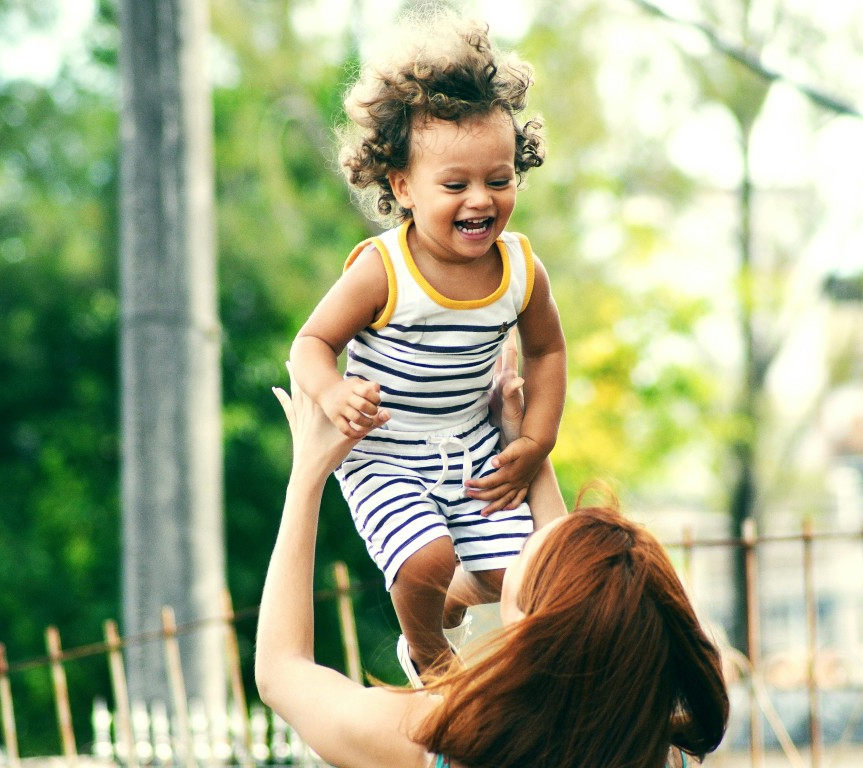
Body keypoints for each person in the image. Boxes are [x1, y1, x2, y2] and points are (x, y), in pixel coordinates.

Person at [254, 368, 730, 768]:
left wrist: (308, 473)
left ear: (528, 628)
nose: (519, 542)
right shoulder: (662, 752)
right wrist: (521, 445)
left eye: (525, 552)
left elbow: (282, 671)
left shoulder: (434, 743)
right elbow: (581, 607)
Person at [288, 10, 567, 683]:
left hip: (470, 443)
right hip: (385, 450)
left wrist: (535, 442)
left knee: (517, 576)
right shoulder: (384, 271)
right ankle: (429, 657)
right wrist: (333, 391)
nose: (481, 200)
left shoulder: (521, 269)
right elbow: (310, 343)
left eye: (498, 180)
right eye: (455, 185)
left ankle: (451, 598)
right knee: (425, 560)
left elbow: (549, 353)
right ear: (403, 187)